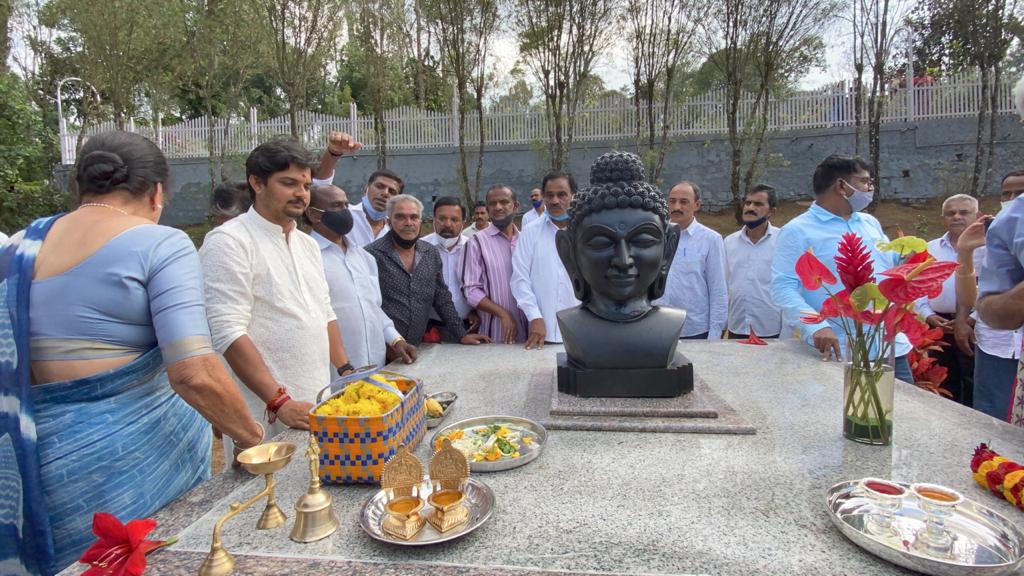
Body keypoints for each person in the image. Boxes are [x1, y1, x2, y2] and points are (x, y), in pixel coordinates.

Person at [0, 131, 264, 574]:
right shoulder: (160, 243)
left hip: (37, 466)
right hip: (129, 466)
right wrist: (251, 438)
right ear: (157, 192)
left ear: (81, 185)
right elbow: (194, 372)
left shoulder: (18, 247)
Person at [200, 137, 356, 449]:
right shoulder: (229, 241)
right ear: (257, 183)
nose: (301, 194)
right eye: (288, 183)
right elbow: (227, 332)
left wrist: (346, 372)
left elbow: (324, 313)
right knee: (267, 495)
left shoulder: (308, 244)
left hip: (314, 403)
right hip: (264, 414)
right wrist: (278, 401)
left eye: (306, 186)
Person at [771, 154, 913, 382]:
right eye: (865, 182)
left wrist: (911, 259)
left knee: (906, 416)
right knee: (846, 418)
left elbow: (890, 267)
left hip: (889, 346)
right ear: (841, 185)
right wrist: (816, 326)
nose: (870, 188)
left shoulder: (869, 223)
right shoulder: (798, 230)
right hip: (839, 349)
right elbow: (783, 288)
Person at [304, 183, 417, 370]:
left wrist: (396, 340)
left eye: (346, 205)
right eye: (337, 206)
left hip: (375, 364)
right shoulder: (307, 257)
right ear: (314, 214)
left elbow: (373, 307)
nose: (346, 212)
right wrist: (342, 367)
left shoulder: (364, 257)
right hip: (334, 371)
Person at [365, 194, 491, 346]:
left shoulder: (429, 253)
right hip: (382, 346)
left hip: (417, 346)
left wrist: (461, 335)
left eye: (414, 217)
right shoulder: (370, 255)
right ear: (389, 221)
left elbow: (441, 297)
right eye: (400, 217)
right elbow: (367, 307)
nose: (408, 223)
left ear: (420, 220)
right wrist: (393, 341)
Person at [917, 194, 983, 405]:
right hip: (939, 325)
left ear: (977, 216)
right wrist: (929, 315)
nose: (956, 217)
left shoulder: (990, 248)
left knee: (973, 380)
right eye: (950, 213)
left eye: (964, 212)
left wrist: (970, 319)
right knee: (943, 382)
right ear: (942, 218)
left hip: (977, 325)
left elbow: (993, 290)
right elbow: (917, 287)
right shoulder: (929, 248)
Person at [971, 171, 1024, 423]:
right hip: (998, 345)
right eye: (1007, 193)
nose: (1013, 198)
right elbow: (989, 308)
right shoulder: (1012, 219)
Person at [511, 171, 581, 348]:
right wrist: (534, 316)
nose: (555, 200)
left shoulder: (586, 233)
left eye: (562, 194)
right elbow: (520, 278)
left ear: (573, 196)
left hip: (582, 333)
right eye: (549, 195)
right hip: (541, 333)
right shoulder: (530, 232)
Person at [655, 181, 727, 339]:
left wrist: (715, 333)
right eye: (672, 201)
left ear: (697, 205)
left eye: (684, 202)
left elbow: (718, 289)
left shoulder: (711, 240)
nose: (676, 207)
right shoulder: (654, 237)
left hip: (694, 330)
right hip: (656, 328)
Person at [462, 185, 529, 344]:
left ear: (515, 206)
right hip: (495, 336)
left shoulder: (527, 240)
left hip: (530, 333)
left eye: (504, 202)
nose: (498, 207)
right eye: (492, 203)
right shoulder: (476, 242)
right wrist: (502, 314)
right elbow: (470, 291)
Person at [312, 131, 399, 247]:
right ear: (365, 189)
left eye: (392, 191)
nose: (385, 193)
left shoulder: (396, 231)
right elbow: (320, 186)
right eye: (379, 186)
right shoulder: (344, 215)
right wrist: (333, 153)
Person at [724, 184, 782, 339]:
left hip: (770, 329)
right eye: (748, 203)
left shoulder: (783, 241)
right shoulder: (729, 243)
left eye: (758, 204)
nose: (750, 208)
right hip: (737, 327)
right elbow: (724, 285)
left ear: (771, 211)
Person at [422, 196, 476, 335]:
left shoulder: (473, 247)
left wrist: (476, 311)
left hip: (468, 325)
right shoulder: (419, 248)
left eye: (454, 219)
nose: (447, 224)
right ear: (434, 220)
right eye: (442, 218)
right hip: (429, 328)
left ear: (463, 223)